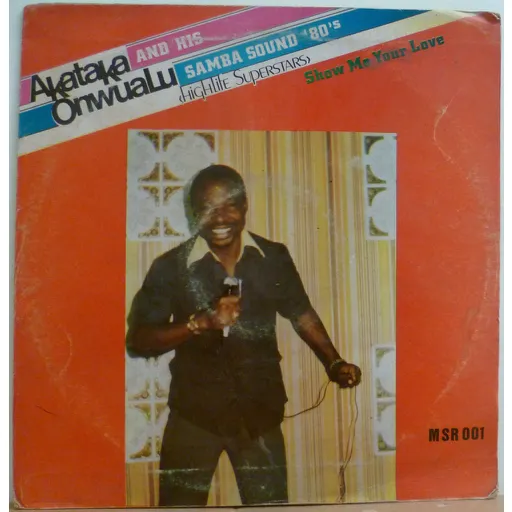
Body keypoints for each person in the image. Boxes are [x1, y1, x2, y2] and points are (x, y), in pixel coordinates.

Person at [126, 164, 362, 506]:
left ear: (245, 205)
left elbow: (302, 314)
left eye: (230, 205)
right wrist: (198, 324)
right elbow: (139, 340)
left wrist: (334, 362)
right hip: (194, 417)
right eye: (208, 207)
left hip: (260, 416)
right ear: (193, 212)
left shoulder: (274, 257)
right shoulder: (169, 267)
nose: (220, 217)